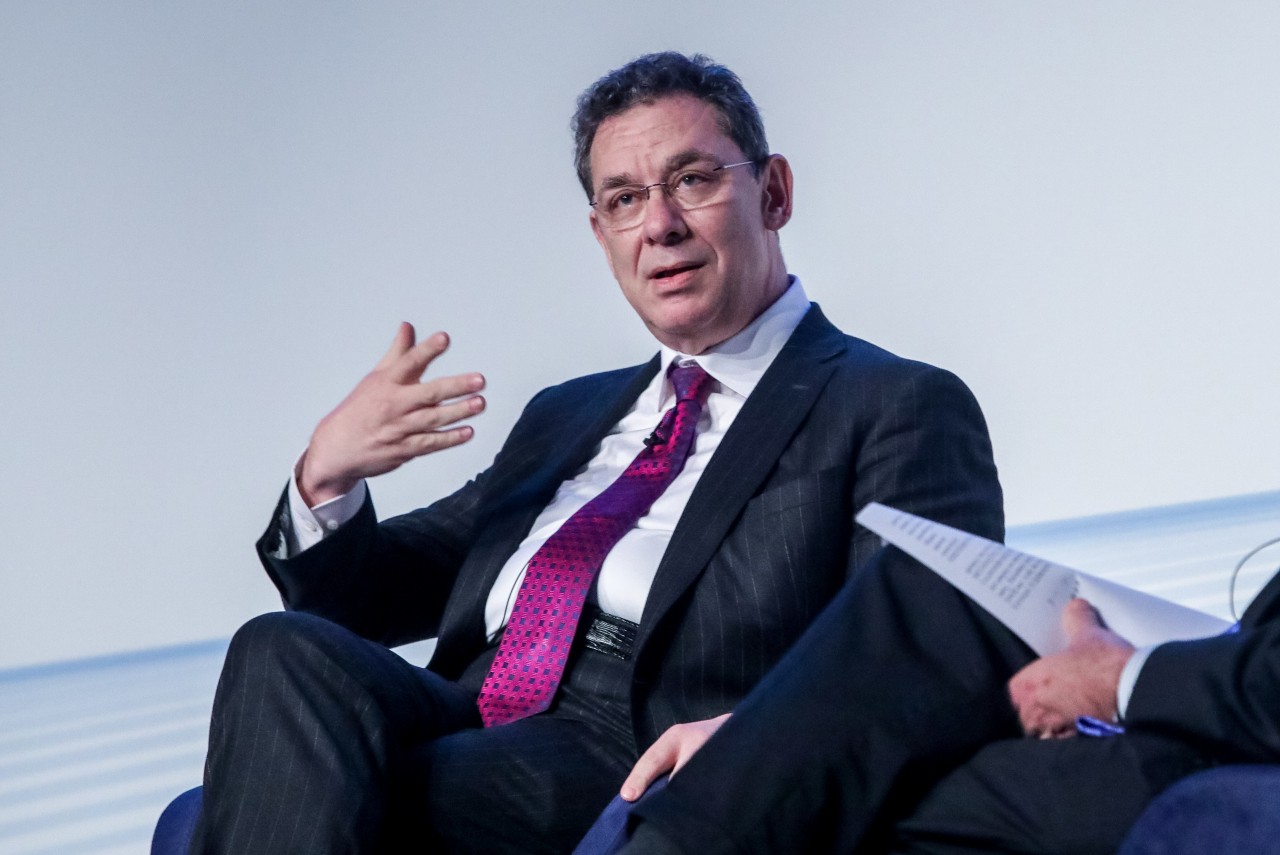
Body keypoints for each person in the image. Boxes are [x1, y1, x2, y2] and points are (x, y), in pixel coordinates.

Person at [189, 52, 1004, 854]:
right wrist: (326, 474)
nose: (659, 224)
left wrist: (765, 738)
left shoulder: (893, 402)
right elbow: (369, 603)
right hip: (469, 707)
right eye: (625, 199)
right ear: (601, 233)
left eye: (693, 180)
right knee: (277, 645)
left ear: (774, 192)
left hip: (638, 745)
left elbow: (927, 644)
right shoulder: (564, 413)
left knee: (247, 810)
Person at [611, 544, 1280, 854]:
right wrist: (767, 729)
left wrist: (1124, 678)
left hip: (1234, 752)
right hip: (1230, 716)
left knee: (930, 603)